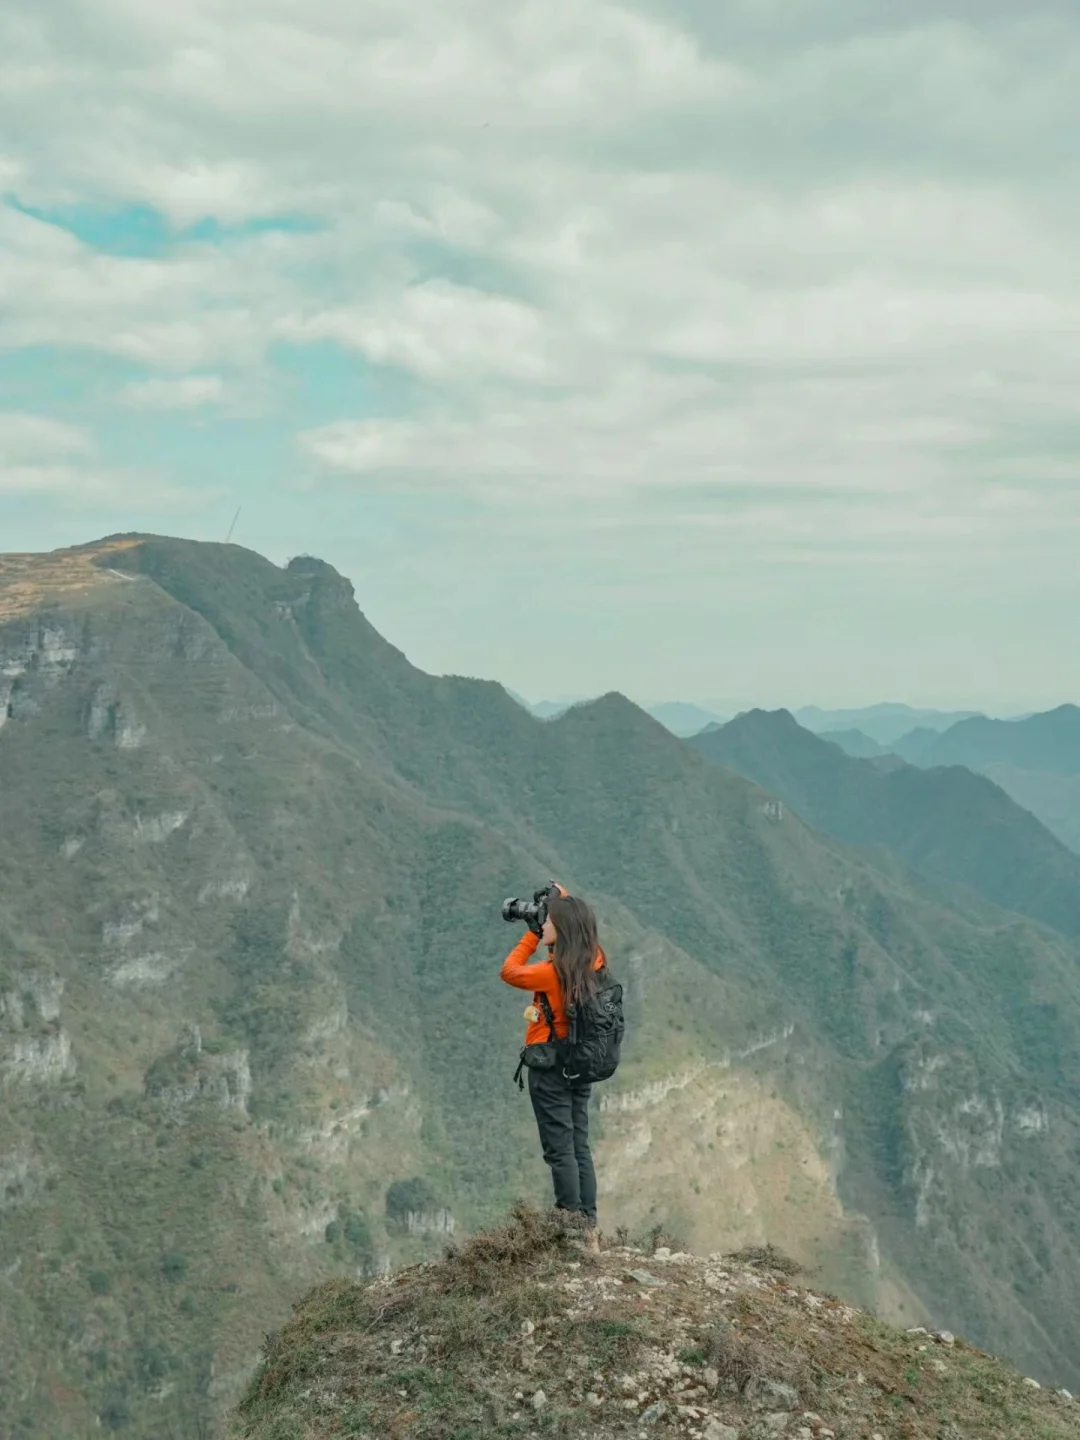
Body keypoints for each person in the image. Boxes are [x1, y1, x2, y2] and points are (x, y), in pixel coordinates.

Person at [500, 885, 607, 1250]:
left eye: (549, 921)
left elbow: (510, 972)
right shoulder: (594, 961)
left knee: (559, 1150)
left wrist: (529, 934)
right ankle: (587, 1226)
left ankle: (567, 1229)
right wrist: (561, 898)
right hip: (580, 1066)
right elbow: (579, 926)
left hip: (549, 1069)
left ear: (562, 929)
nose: (543, 923)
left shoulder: (550, 973)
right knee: (579, 1146)